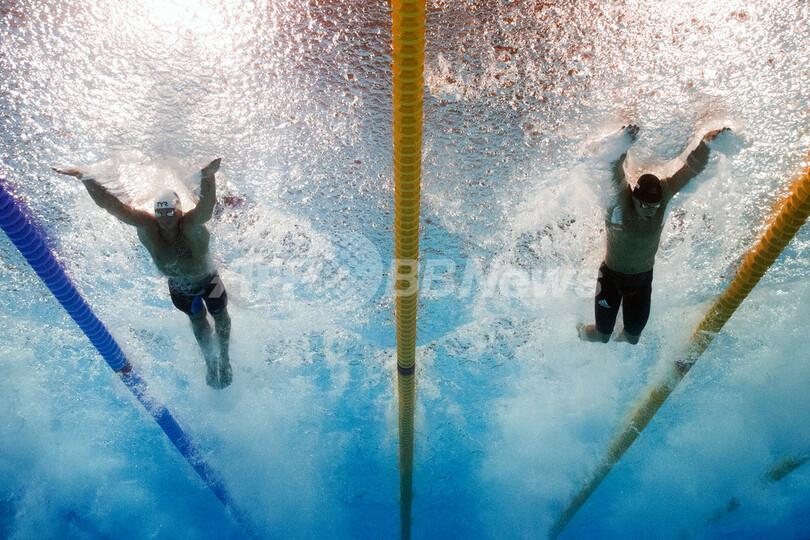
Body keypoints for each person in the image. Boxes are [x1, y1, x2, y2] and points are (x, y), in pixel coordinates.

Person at [53, 159, 233, 388]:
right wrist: (85, 178)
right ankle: (210, 363)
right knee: (197, 320)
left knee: (220, 317)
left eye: (170, 212)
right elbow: (114, 207)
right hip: (179, 287)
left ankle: (225, 360)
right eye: (161, 213)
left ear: (179, 211)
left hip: (208, 280)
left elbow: (207, 207)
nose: (165, 218)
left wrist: (208, 175)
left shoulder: (190, 225)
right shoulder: (148, 226)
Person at [578, 125, 730, 344]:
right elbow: (614, 167)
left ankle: (623, 329)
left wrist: (707, 142)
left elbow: (690, 170)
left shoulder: (663, 196)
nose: (652, 211)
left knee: (632, 339)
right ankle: (579, 330)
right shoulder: (621, 201)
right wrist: (623, 143)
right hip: (611, 277)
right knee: (602, 336)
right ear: (634, 200)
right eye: (646, 206)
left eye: (655, 206)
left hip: (642, 281)